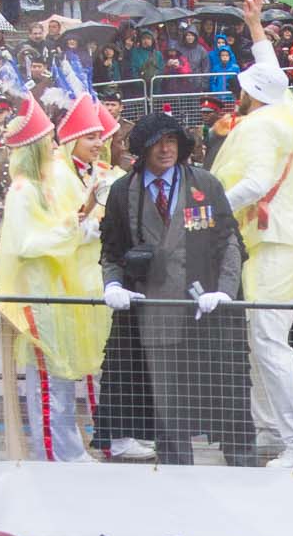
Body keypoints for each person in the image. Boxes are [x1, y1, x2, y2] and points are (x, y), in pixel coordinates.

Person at [212, 0, 293, 468]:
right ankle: (269, 426)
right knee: (259, 334)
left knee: (266, 337)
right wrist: (255, 25)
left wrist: (205, 208)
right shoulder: (282, 108)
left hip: (274, 240)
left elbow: (257, 183)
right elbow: (274, 74)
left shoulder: (261, 124)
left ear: (249, 95)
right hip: (280, 238)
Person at [99, 111, 255, 465]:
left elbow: (230, 241)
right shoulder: (123, 192)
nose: (166, 149)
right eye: (158, 143)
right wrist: (112, 284)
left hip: (207, 315)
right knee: (167, 412)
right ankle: (177, 483)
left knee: (229, 400)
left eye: (172, 141)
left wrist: (227, 291)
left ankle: (245, 476)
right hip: (154, 319)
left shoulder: (205, 183)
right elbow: (110, 249)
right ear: (143, 149)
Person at [0, 95, 111, 461]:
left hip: (55, 292)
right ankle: (57, 458)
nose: (53, 149)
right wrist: (71, 230)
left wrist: (77, 227)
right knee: (48, 383)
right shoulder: (22, 191)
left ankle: (68, 453)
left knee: (60, 378)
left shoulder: (41, 187)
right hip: (36, 297)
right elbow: (25, 244)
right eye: (46, 144)